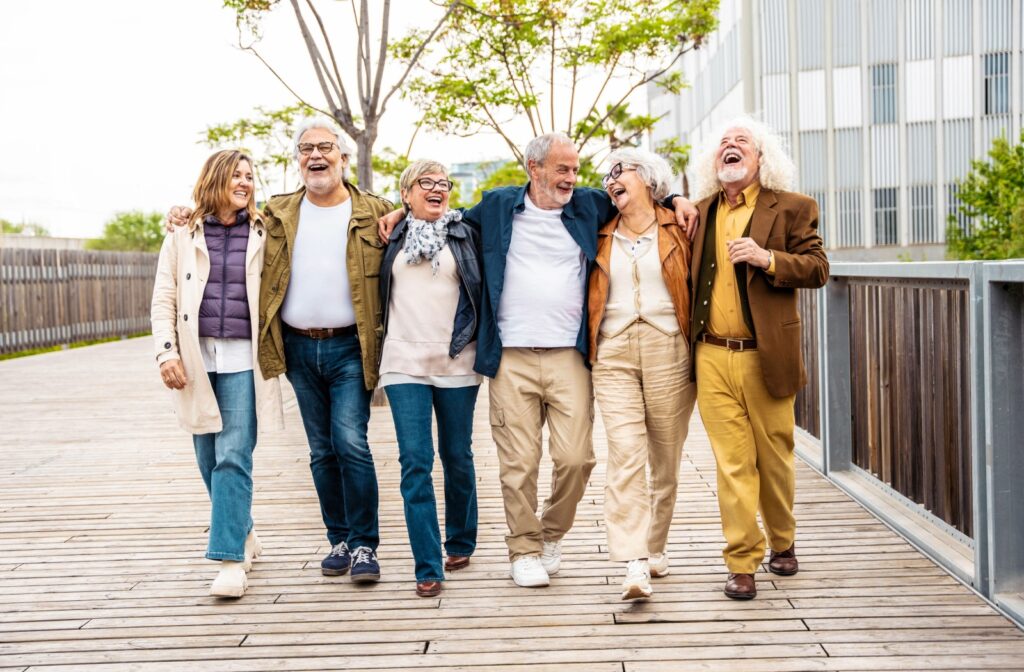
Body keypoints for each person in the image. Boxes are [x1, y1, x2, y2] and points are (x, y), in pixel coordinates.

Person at [380, 132, 697, 588]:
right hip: (509, 356)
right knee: (518, 463)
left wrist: (678, 197)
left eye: (575, 169)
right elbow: (440, 216)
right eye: (562, 169)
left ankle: (550, 533)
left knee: (576, 459)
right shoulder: (496, 207)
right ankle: (523, 548)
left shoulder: (590, 206)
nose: (572, 177)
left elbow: (643, 196)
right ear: (535, 169)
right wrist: (399, 209)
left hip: (570, 355)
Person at [166, 117, 394, 583]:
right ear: (297, 160)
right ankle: (340, 539)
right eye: (306, 148)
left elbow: (416, 211)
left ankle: (365, 545)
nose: (316, 155)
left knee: (350, 442)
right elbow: (218, 220)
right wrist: (179, 212)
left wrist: (405, 213)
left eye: (326, 147)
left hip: (350, 346)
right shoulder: (275, 214)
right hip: (296, 349)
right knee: (319, 451)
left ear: (343, 158)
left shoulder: (374, 210)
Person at [688, 117, 829, 600]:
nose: (730, 147)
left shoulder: (793, 207)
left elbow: (818, 268)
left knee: (775, 459)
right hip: (710, 355)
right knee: (732, 464)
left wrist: (768, 258)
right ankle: (741, 561)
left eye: (741, 142)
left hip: (766, 354)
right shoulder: (701, 212)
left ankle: (783, 541)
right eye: (723, 143)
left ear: (760, 157)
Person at [151, 149, 284, 598]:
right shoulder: (182, 234)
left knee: (233, 456)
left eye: (250, 176)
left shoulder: (266, 230)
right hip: (195, 360)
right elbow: (164, 297)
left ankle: (229, 559)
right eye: (236, 176)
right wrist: (166, 352)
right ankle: (243, 530)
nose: (245, 183)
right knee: (208, 459)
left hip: (245, 361)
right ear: (215, 180)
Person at [587, 148, 696, 600]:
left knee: (665, 459)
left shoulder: (683, 226)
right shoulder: (597, 230)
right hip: (612, 351)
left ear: (648, 180)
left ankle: (655, 545)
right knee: (626, 454)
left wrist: (679, 200)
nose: (611, 180)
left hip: (668, 346)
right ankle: (634, 562)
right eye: (606, 175)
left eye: (620, 171)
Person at [378, 159, 482, 598]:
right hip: (403, 361)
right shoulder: (386, 234)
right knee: (415, 461)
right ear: (406, 193)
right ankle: (427, 564)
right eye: (426, 183)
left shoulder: (465, 231)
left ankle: (459, 540)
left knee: (457, 455)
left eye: (444, 184)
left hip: (457, 360)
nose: (438, 189)